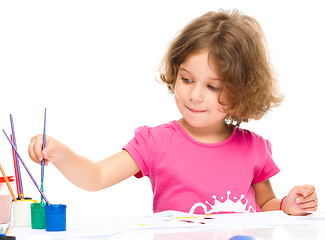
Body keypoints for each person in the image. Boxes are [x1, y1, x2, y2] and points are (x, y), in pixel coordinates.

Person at [28, 9, 317, 215]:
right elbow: (96, 177)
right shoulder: (155, 143)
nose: (194, 94)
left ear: (242, 89)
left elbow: (266, 205)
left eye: (213, 86)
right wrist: (62, 155)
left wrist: (287, 206)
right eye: (186, 79)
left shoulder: (254, 148)